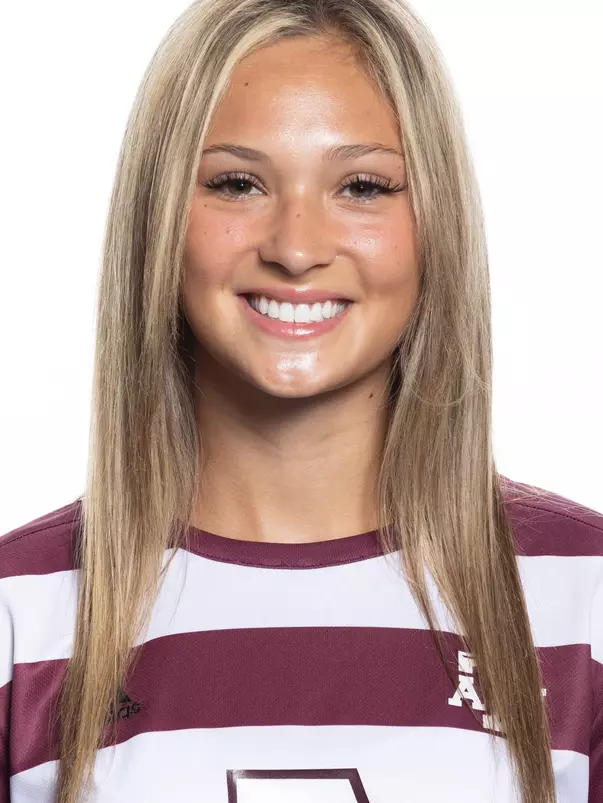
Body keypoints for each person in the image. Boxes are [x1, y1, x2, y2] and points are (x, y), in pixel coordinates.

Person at [0, 0, 601, 801]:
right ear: (160, 222)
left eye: (361, 185)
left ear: (436, 225)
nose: (294, 247)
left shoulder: (583, 597)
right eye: (236, 183)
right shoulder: (19, 612)